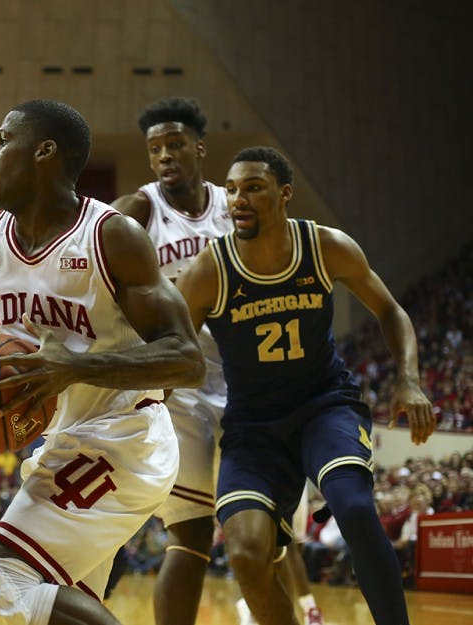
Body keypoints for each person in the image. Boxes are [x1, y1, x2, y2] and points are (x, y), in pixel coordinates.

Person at [0, 99, 205, 625]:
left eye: (3, 141)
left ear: (44, 151)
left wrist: (74, 369)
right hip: (65, 441)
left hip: (125, 437)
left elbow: (187, 359)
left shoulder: (111, 236)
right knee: (22, 613)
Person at [175, 146, 436, 625]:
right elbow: (169, 349)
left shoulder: (326, 247)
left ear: (285, 194)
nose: (238, 199)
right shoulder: (210, 270)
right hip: (253, 427)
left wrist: (409, 380)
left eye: (253, 187)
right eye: (231, 190)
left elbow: (390, 310)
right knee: (246, 554)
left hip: (323, 406)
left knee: (355, 508)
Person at [112, 97, 325, 625]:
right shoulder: (138, 211)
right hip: (179, 388)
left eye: (175, 145)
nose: (164, 156)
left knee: (265, 530)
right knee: (191, 533)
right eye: (155, 148)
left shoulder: (234, 205)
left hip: (249, 384)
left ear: (199, 148)